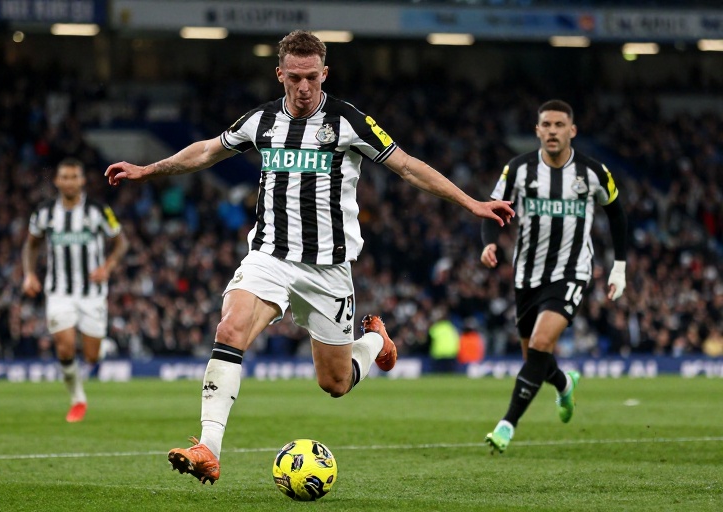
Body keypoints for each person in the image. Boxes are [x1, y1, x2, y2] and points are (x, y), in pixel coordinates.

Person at [105, 30, 514, 485]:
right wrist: (148, 169)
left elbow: (406, 165)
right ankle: (209, 448)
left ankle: (375, 342)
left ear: (325, 73)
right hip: (270, 256)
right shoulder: (261, 121)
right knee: (230, 328)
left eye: (312, 77)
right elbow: (206, 151)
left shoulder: (349, 121)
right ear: (280, 74)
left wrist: (471, 203)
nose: (304, 87)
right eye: (295, 77)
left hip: (328, 269)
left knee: (335, 383)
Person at [480, 99, 627, 453]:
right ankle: (564, 385)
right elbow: (493, 209)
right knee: (535, 356)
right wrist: (490, 243)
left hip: (572, 271)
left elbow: (617, 214)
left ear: (572, 130)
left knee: (542, 344)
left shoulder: (593, 172)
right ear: (537, 130)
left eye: (559, 125)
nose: (552, 131)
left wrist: (619, 267)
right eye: (546, 125)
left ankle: (506, 425)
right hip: (527, 274)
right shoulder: (518, 169)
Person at [22, 157, 129, 422]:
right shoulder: (44, 212)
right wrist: (29, 274)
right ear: (57, 181)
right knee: (65, 347)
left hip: (92, 292)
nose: (69, 182)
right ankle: (77, 399)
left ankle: (99, 348)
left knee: (91, 356)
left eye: (74, 177)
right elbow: (31, 244)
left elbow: (121, 242)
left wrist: (107, 267)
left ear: (82, 181)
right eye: (65, 177)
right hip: (59, 291)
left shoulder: (98, 210)